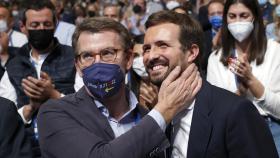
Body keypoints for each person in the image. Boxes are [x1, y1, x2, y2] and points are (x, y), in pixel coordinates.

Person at [37, 17, 201, 158]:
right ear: (78, 66)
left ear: (129, 59)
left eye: (107, 53)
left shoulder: (148, 117)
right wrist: (164, 110)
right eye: (87, 56)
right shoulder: (55, 112)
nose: (98, 63)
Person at [143, 10, 278, 158]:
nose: (151, 56)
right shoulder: (156, 114)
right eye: (147, 48)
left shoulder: (235, 111)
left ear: (192, 52)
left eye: (162, 45)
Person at [0, 0, 76, 157]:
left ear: (56, 24)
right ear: (23, 27)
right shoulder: (14, 64)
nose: (41, 29)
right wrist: (31, 107)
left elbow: (90, 107)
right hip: (26, 147)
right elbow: (4, 115)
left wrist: (53, 95)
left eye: (46, 24)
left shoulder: (73, 58)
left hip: (68, 143)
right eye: (35, 25)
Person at [207, 0, 280, 155]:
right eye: (232, 16)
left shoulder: (275, 51)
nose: (237, 21)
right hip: (232, 134)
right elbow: (214, 111)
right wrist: (239, 92)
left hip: (271, 130)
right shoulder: (215, 58)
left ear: (254, 17)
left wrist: (250, 80)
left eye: (244, 15)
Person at [202, 0, 224, 74]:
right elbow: (202, 64)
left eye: (219, 13)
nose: (216, 16)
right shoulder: (202, 36)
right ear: (208, 17)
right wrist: (213, 47)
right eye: (212, 14)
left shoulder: (234, 34)